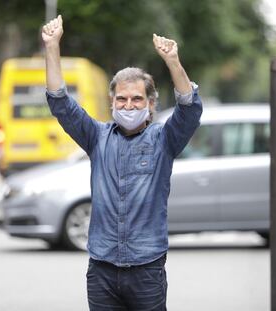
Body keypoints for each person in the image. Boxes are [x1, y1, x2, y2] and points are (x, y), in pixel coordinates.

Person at [43, 15, 203, 310]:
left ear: (151, 104)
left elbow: (189, 108)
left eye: (137, 100)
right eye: (122, 100)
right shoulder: (96, 137)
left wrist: (173, 61)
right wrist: (52, 46)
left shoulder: (164, 140)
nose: (128, 105)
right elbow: (60, 102)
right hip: (101, 269)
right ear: (112, 102)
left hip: (147, 268)